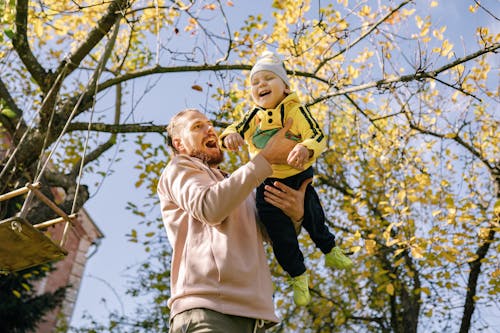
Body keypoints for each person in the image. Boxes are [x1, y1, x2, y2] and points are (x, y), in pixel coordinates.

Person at [157, 108, 310, 333]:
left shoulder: (239, 186)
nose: (210, 129)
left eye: (210, 124)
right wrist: (264, 159)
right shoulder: (179, 168)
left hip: (256, 318)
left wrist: (296, 214)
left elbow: (273, 235)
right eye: (197, 126)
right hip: (208, 311)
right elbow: (209, 207)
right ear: (179, 144)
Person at [220, 51, 353, 307]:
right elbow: (234, 128)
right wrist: (229, 137)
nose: (261, 85)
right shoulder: (253, 116)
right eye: (255, 83)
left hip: (297, 174)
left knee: (313, 214)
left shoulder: (296, 109)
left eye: (268, 78)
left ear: (286, 86)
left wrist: (305, 148)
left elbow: (317, 135)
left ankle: (330, 249)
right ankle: (298, 275)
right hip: (267, 181)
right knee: (280, 236)